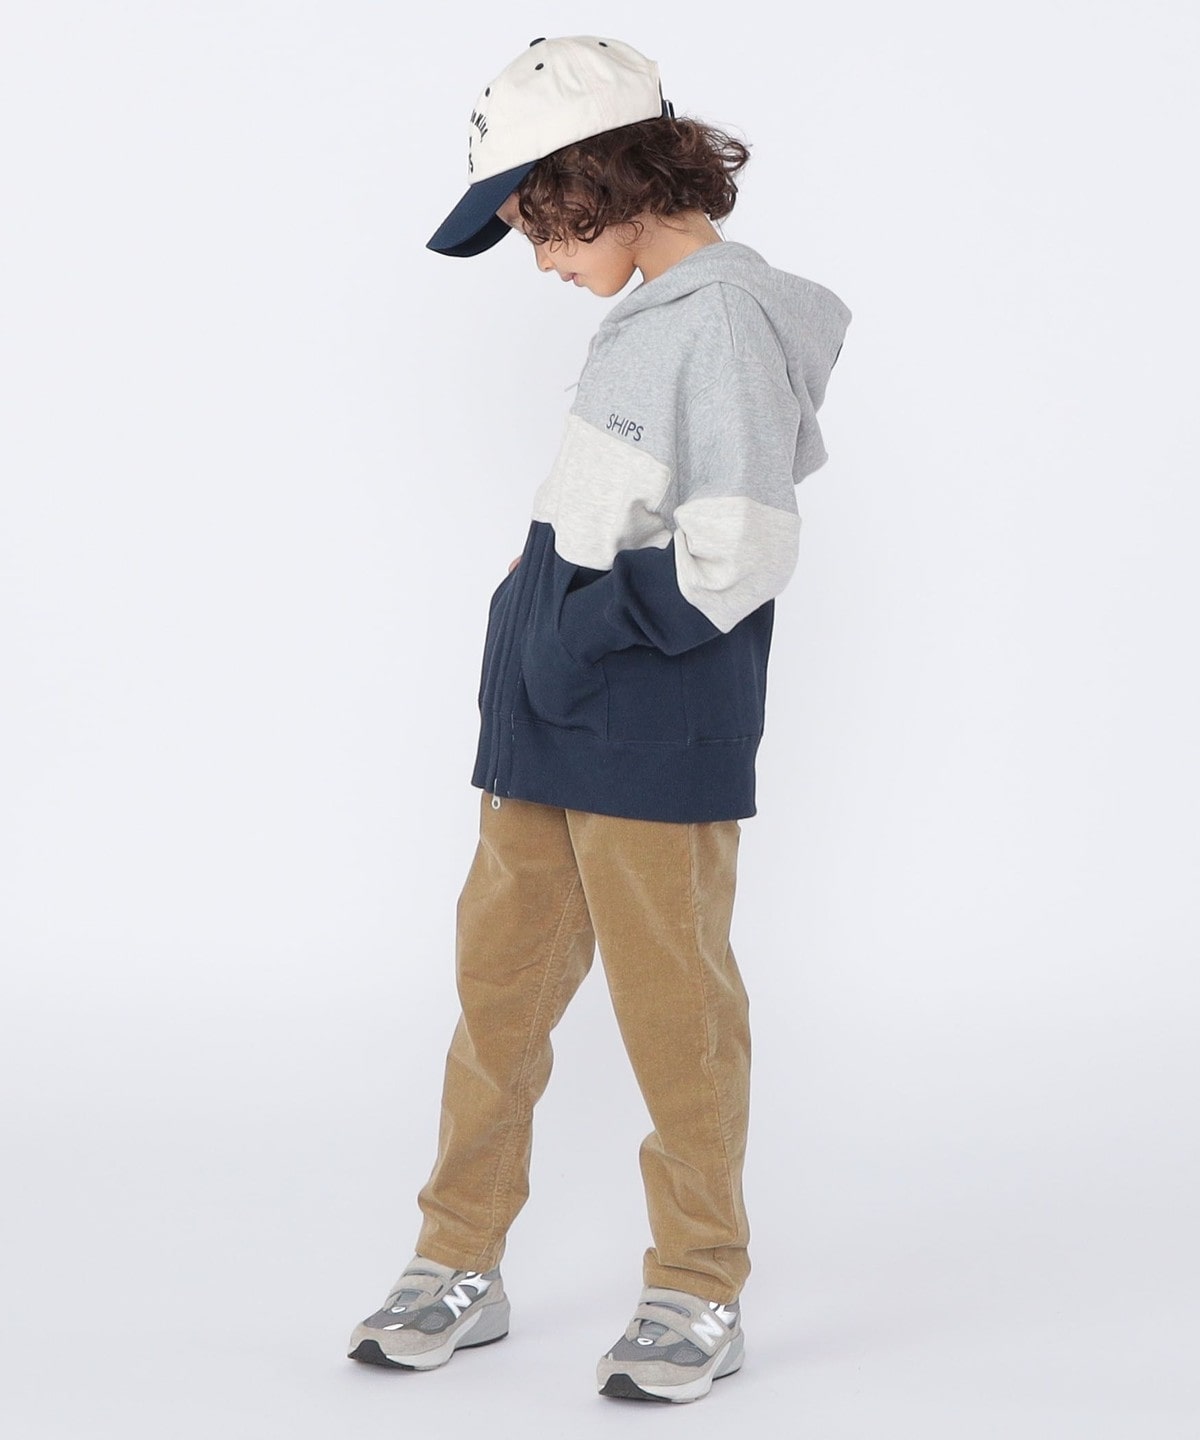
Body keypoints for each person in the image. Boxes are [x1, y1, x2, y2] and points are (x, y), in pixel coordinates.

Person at [347, 34, 851, 1404]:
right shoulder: (656, 316)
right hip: (551, 714)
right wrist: (535, 621)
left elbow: (739, 552)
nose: (538, 259)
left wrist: (577, 623)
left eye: (537, 223)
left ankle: (698, 1285)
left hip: (651, 720)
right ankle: (458, 1259)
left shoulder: (723, 320)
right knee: (498, 998)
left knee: (675, 1012)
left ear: (602, 174)